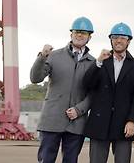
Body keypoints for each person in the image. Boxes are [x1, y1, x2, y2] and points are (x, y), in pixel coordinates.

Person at [30, 16, 96, 163]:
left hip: (76, 122)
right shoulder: (53, 56)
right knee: (46, 159)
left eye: (84, 33)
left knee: (71, 160)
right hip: (52, 119)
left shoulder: (93, 63)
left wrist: (79, 110)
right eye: (77, 31)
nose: (79, 35)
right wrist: (42, 57)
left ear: (89, 37)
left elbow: (94, 93)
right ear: (71, 34)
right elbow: (35, 78)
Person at [83, 22, 134, 163]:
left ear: (128, 41)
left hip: (124, 124)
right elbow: (87, 84)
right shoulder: (101, 61)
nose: (118, 40)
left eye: (123, 38)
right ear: (110, 39)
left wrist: (133, 121)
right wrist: (98, 62)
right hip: (99, 122)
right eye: (115, 37)